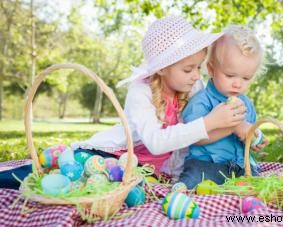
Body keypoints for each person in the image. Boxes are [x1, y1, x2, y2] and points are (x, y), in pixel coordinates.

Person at [0, 16, 247, 189]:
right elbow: (156, 142)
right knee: (65, 171)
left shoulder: (193, 87)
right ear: (161, 68)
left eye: (198, 68)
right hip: (111, 155)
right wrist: (210, 122)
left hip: (144, 172)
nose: (196, 75)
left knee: (98, 186)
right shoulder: (141, 92)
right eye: (188, 69)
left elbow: (194, 137)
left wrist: (232, 125)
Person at [176, 25, 268, 190]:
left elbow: (247, 134)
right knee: (194, 176)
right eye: (230, 75)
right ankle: (180, 191)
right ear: (212, 69)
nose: (238, 83)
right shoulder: (201, 102)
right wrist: (233, 127)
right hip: (207, 164)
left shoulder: (246, 104)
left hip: (240, 166)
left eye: (246, 78)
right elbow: (194, 137)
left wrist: (254, 139)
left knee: (259, 184)